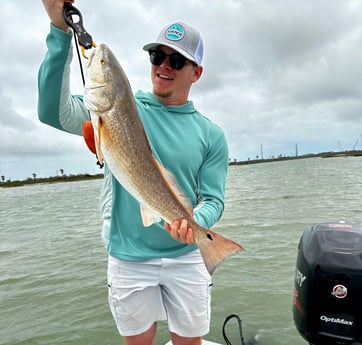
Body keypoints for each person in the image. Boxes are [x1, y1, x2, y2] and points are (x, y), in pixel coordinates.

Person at [38, 1, 229, 345]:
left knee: (189, 342)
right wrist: (59, 31)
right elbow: (53, 112)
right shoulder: (118, 107)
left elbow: (213, 199)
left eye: (177, 60)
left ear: (196, 72)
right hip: (128, 257)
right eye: (157, 56)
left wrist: (194, 221)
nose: (163, 66)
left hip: (186, 257)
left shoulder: (211, 134)